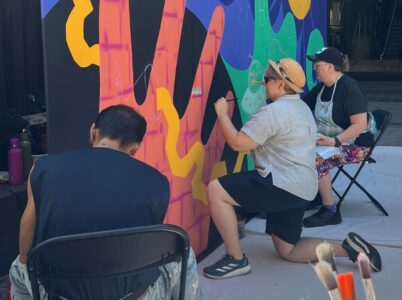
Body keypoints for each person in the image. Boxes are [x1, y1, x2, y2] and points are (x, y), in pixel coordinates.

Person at [202, 58, 382, 280]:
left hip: (281, 184)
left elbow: (239, 144)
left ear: (280, 85)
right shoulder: (301, 107)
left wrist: (221, 113)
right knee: (289, 250)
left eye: (266, 80)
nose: (261, 84)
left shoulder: (273, 112)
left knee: (216, 190)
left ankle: (236, 259)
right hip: (303, 187)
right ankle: (349, 248)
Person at [9, 105, 201, 300]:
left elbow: (26, 250)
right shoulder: (158, 182)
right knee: (184, 251)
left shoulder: (43, 169)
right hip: (134, 295)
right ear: (135, 147)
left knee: (19, 267)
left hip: (59, 294)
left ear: (93, 131)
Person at [301, 47, 374, 228]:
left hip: (357, 146)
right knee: (299, 151)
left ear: (330, 67)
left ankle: (330, 210)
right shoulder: (321, 87)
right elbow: (301, 105)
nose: (313, 69)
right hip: (331, 141)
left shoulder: (350, 89)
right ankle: (318, 195)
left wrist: (335, 141)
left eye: (316, 65)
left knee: (317, 159)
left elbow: (360, 125)